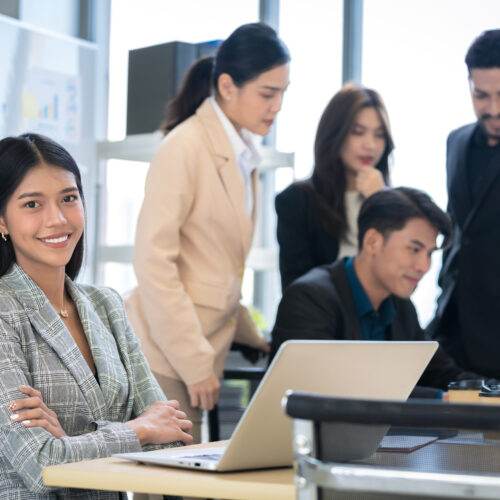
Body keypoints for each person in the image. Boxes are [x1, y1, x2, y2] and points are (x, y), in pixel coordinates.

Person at [0, 133, 192, 499]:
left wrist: (71, 442)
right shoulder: (4, 311)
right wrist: (139, 431)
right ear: (2, 221)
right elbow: (41, 465)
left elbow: (174, 439)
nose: (57, 219)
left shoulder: (105, 305)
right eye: (32, 204)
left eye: (69, 199)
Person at [125, 22, 290, 443]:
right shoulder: (185, 147)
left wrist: (256, 337)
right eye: (268, 94)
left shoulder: (241, 153)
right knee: (171, 484)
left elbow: (215, 264)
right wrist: (196, 363)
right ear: (228, 86)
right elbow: (153, 262)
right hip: (166, 353)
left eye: (283, 93)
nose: (277, 106)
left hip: (199, 347)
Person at [270, 187, 486, 399]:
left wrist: (490, 392)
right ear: (372, 242)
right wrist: (441, 398)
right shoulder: (310, 298)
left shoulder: (400, 306)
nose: (424, 266)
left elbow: (444, 374)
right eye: (414, 249)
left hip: (377, 434)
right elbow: (334, 391)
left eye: (429, 253)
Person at [427, 29, 500, 378]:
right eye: (481, 95)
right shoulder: (455, 142)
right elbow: (457, 227)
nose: (493, 109)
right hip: (454, 328)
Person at [275, 83, 394, 291]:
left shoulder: (391, 201)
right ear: (335, 134)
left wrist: (380, 201)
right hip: (322, 320)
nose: (371, 145)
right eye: (358, 132)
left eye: (379, 134)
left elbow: (399, 277)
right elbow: (296, 290)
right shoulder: (297, 201)